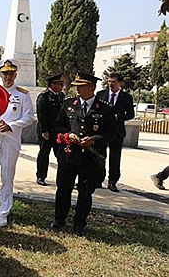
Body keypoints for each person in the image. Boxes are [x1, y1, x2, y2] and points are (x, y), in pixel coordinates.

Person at [51, 72, 115, 237]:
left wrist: (93, 139)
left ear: (91, 88)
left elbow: (112, 133)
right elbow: (58, 126)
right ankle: (59, 219)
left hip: (90, 157)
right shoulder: (68, 104)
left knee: (85, 191)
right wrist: (68, 135)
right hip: (69, 154)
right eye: (76, 86)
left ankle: (79, 224)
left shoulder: (105, 108)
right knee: (63, 188)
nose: (77, 89)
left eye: (81, 86)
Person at [0, 59, 34, 227]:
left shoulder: (23, 95)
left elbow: (28, 117)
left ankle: (3, 212)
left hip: (10, 141)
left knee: (7, 176)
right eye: (5, 74)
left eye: (11, 74)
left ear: (15, 75)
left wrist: (11, 126)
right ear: (0, 75)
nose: (8, 77)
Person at [95, 72, 135, 192]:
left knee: (115, 157)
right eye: (109, 81)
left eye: (114, 82)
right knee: (100, 156)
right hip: (102, 131)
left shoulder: (126, 97)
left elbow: (130, 114)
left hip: (117, 132)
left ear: (120, 83)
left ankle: (112, 181)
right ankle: (98, 179)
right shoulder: (101, 94)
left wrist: (118, 117)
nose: (111, 84)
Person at [35, 74, 65, 186]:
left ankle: (61, 178)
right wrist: (44, 131)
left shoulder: (61, 96)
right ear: (52, 84)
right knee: (44, 154)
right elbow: (41, 115)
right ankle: (41, 176)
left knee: (61, 155)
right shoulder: (44, 96)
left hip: (58, 131)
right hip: (46, 131)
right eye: (60, 84)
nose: (62, 86)